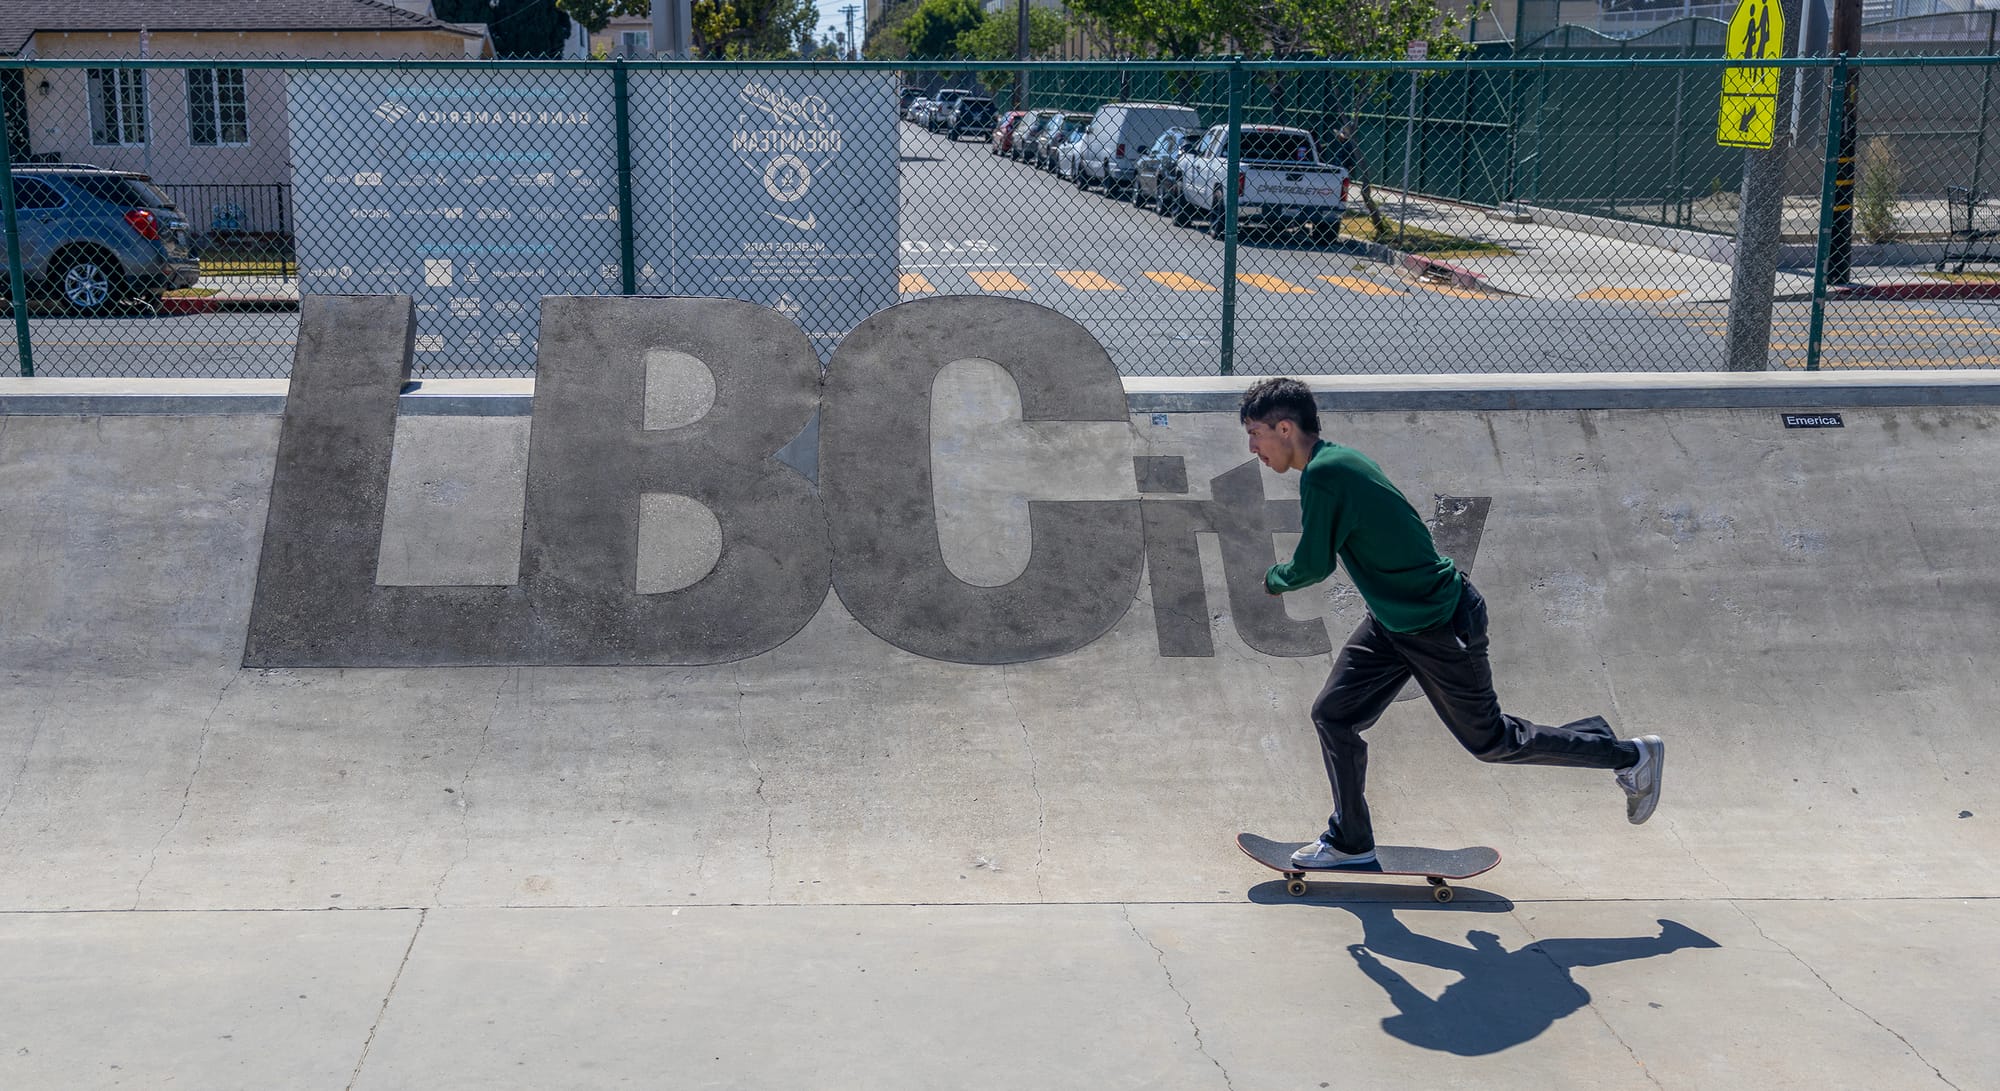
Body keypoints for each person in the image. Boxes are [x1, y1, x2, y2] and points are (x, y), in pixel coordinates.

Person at [1241, 377, 1663, 867]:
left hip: (1438, 622)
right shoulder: (1338, 460)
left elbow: (1313, 565)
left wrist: (1273, 580)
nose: (1253, 448)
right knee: (1333, 715)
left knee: (1493, 742)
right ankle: (1350, 841)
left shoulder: (1325, 475)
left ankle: (1631, 755)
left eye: (1255, 434)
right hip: (1393, 622)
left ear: (1285, 428)